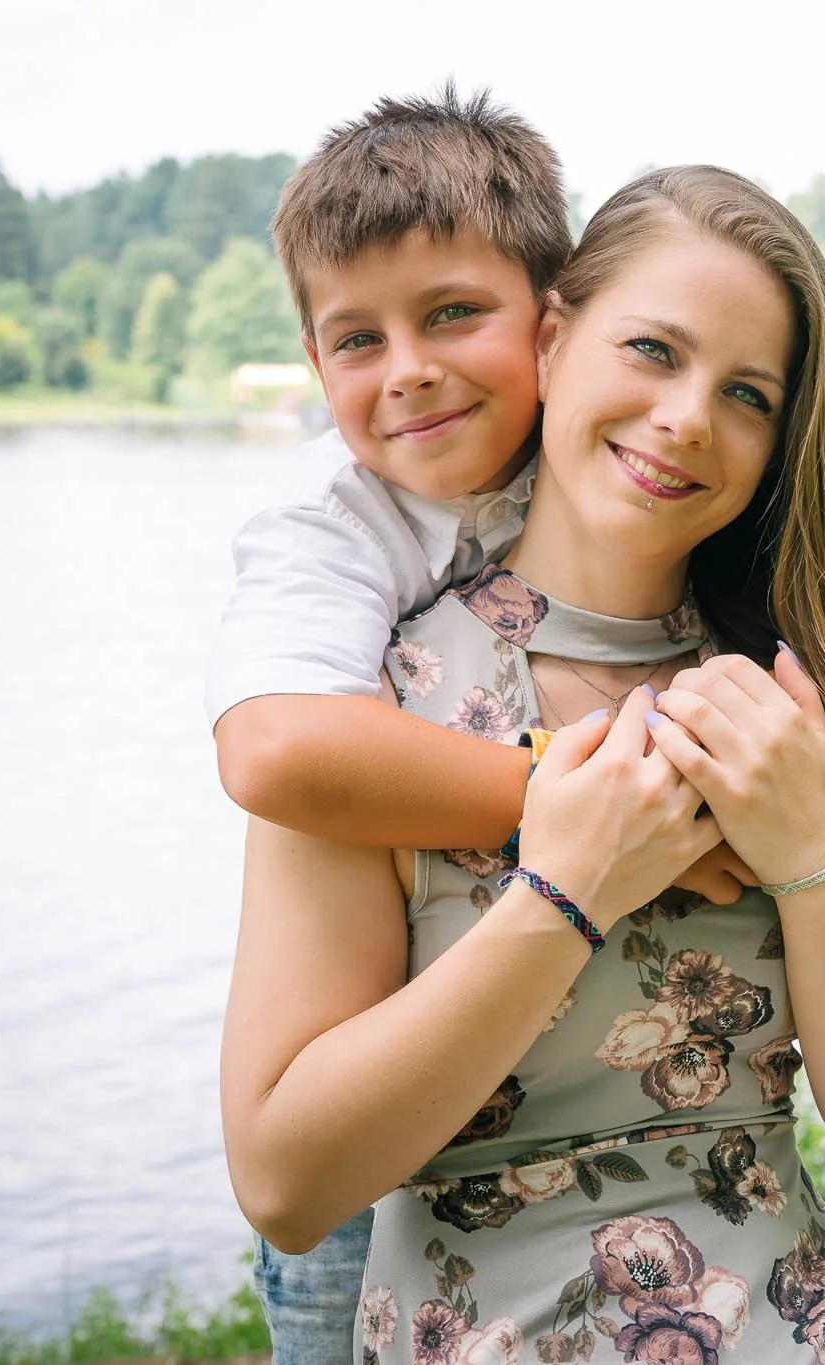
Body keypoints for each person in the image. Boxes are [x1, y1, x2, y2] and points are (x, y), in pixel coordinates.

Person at [220, 164, 825, 1363]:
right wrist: (564, 894)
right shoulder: (372, 721)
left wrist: (808, 846)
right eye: (651, 350)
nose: (689, 415)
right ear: (552, 340)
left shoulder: (794, 698)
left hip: (810, 1327)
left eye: (746, 393)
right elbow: (283, 1183)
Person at [206, 90, 750, 1362]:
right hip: (376, 1163)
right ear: (312, 361)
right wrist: (587, 794)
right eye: (355, 339)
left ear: (554, 322)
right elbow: (274, 750)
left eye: (452, 312)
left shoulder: (613, 463)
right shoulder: (333, 529)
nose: (408, 371)